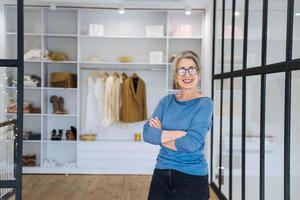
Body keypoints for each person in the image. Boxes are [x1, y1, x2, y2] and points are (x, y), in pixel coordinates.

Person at [143, 50, 213, 200]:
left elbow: (191, 143)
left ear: (198, 74)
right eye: (181, 70)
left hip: (192, 177)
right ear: (176, 75)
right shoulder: (166, 101)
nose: (187, 74)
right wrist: (179, 134)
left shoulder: (205, 104)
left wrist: (160, 134)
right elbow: (147, 134)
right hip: (162, 173)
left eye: (191, 69)